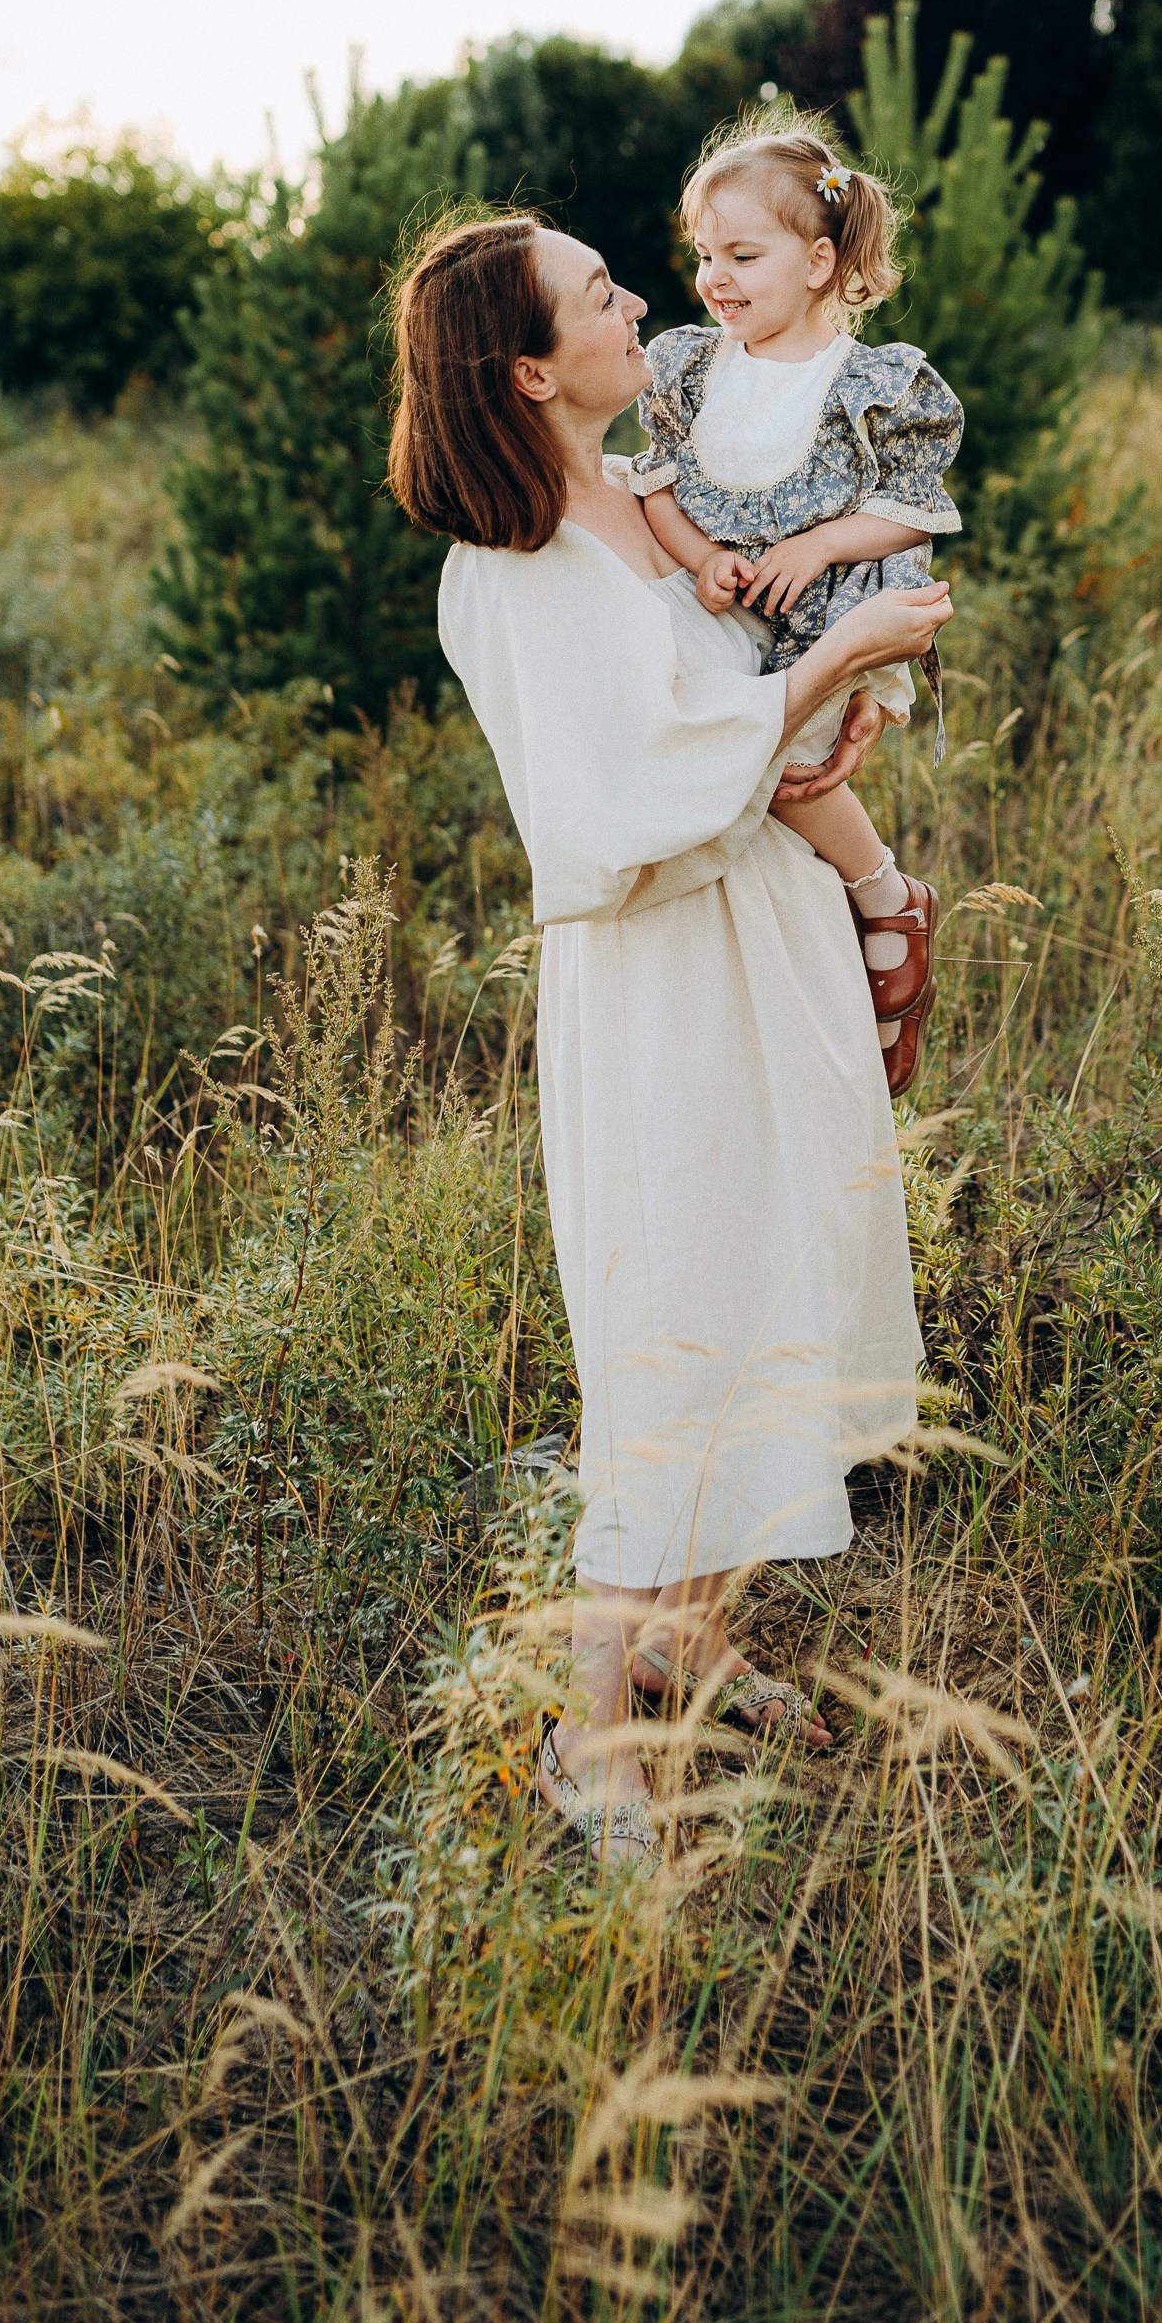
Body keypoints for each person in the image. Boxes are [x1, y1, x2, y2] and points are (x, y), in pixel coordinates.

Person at [387, 209, 952, 1874]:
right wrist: (840, 651)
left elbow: (746, 720)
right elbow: (621, 805)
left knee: (782, 1280)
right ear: (528, 367)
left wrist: (838, 688)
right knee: (671, 1331)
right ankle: (591, 1740)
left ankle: (691, 1637)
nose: (640, 302)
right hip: (659, 979)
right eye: (599, 295)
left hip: (766, 935)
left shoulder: (651, 500)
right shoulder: (508, 577)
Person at [631, 116, 963, 1094]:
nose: (714, 278)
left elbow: (909, 516)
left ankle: (885, 898)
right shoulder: (692, 366)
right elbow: (653, 482)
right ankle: (796, 960)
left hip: (833, 618)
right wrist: (698, 559)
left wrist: (815, 542)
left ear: (818, 263)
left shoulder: (866, 383)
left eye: (742, 254)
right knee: (720, 758)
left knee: (779, 768)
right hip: (723, 615)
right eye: (703, 255)